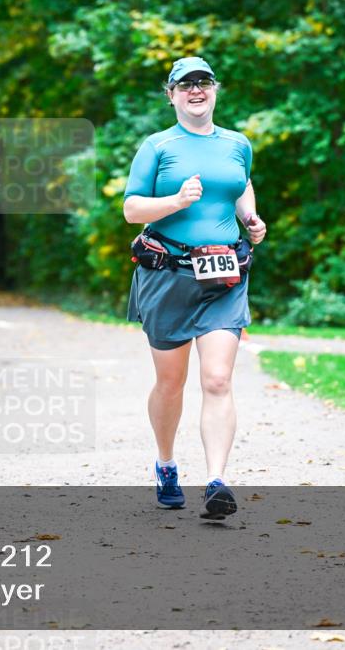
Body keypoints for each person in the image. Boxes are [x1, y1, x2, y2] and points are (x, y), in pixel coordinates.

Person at [123, 57, 267, 520]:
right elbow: (131, 210)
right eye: (185, 85)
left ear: (216, 89)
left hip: (223, 275)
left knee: (218, 379)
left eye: (203, 82)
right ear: (171, 95)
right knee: (171, 382)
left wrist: (250, 218)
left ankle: (217, 482)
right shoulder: (157, 146)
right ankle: (166, 464)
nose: (196, 90)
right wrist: (175, 201)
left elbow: (241, 185)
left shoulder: (237, 143)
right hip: (168, 274)